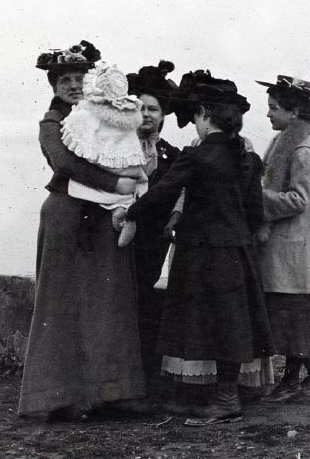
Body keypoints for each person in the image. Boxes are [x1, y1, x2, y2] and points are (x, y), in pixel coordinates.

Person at [120, 73, 274, 426]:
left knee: (205, 323)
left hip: (202, 253)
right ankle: (226, 396)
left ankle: (222, 401)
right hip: (236, 252)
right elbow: (255, 211)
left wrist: (131, 212)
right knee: (231, 324)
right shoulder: (247, 158)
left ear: (206, 115)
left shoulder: (197, 155)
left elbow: (161, 195)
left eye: (197, 116)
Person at [18, 41, 145, 421]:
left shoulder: (107, 115)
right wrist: (116, 185)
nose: (74, 85)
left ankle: (112, 393)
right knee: (63, 303)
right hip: (67, 214)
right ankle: (58, 396)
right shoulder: (52, 123)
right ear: (54, 87)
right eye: (65, 81)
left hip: (102, 215)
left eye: (79, 78)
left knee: (107, 302)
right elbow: (65, 162)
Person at [254, 75, 310, 402]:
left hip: (297, 249)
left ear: (293, 113)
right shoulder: (284, 142)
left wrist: (256, 197)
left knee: (293, 316)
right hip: (288, 246)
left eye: (274, 108)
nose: (268, 114)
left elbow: (299, 200)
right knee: (292, 316)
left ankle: (294, 379)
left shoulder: (302, 150)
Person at [126, 61, 180, 389]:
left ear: (163, 115)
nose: (146, 114)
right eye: (139, 107)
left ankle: (146, 376)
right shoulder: (113, 150)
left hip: (152, 244)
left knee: (145, 303)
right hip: (115, 239)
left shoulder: (172, 156)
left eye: (153, 109)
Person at [60, 62, 148, 247]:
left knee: (89, 188)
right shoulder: (126, 110)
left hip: (103, 163)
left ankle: (117, 211)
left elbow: (77, 133)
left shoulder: (88, 112)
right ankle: (122, 209)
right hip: (127, 164)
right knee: (136, 181)